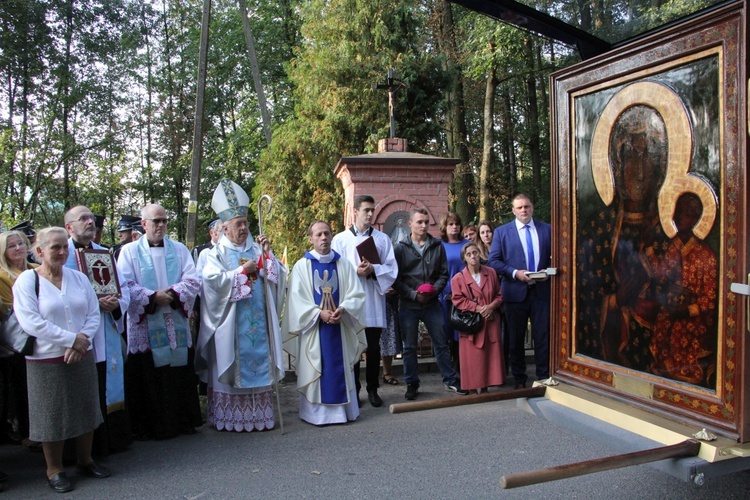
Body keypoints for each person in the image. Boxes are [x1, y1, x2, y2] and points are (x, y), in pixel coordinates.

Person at [13, 227, 110, 493]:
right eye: (55, 247)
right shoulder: (27, 281)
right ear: (40, 250)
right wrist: (71, 340)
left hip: (80, 354)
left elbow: (93, 313)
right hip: (46, 359)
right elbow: (31, 321)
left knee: (85, 407)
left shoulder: (78, 278)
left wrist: (81, 341)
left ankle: (85, 460)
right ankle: (54, 469)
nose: (61, 252)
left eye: (64, 247)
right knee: (51, 416)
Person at [196, 180, 287, 432]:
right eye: (238, 224)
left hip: (258, 324)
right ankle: (232, 418)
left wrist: (268, 259)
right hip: (231, 326)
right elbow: (211, 283)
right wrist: (240, 272)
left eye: (246, 223)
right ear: (225, 228)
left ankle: (259, 417)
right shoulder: (217, 255)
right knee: (232, 361)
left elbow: (277, 277)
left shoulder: (258, 248)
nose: (244, 228)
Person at [117, 204, 202, 440]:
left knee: (176, 371)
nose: (161, 225)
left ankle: (182, 421)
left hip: (174, 318)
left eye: (164, 220)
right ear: (144, 224)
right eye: (156, 221)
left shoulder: (179, 249)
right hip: (147, 321)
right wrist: (153, 297)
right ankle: (148, 426)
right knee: (148, 372)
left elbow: (193, 280)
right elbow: (125, 285)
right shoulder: (129, 252)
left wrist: (172, 295)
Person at [282, 221, 367, 425]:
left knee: (339, 366)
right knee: (316, 367)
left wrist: (343, 308)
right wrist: (318, 314)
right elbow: (296, 300)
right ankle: (316, 415)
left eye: (327, 234)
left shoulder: (343, 264)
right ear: (310, 239)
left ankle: (344, 412)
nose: (323, 238)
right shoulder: (303, 266)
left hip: (339, 323)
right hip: (314, 328)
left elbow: (356, 293)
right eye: (318, 235)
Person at [63, 206, 131, 456]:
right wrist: (95, 302)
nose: (91, 222)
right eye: (84, 219)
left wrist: (116, 303)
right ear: (69, 226)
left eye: (92, 218)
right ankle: (79, 452)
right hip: (79, 333)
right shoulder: (63, 255)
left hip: (107, 329)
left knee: (106, 381)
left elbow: (124, 289)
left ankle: (109, 442)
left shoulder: (105, 253)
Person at [393, 208, 468, 400]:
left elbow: (443, 274)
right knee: (409, 347)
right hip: (408, 304)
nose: (424, 225)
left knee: (440, 343)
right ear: (410, 224)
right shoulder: (400, 248)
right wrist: (412, 294)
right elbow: (396, 278)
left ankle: (450, 381)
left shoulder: (437, 246)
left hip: (432, 303)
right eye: (419, 222)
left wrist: (433, 291)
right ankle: (411, 383)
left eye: (426, 222)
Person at [331, 195, 398, 407]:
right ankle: (354, 390)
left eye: (372, 210)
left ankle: (372, 389)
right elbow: (334, 270)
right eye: (366, 210)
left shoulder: (381, 239)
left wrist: (373, 269)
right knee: (353, 348)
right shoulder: (340, 240)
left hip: (373, 300)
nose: (370, 214)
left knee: (373, 347)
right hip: (350, 302)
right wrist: (355, 271)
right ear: (355, 212)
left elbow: (391, 268)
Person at [649, 193, 717, 386]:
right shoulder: (673, 248)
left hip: (694, 318)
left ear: (696, 219)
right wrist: (649, 251)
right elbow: (661, 276)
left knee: (680, 331)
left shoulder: (706, 255)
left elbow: (709, 298)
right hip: (671, 310)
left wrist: (687, 310)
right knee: (662, 321)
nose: (679, 217)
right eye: (678, 212)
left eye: (685, 213)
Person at [488, 193, 551, 389]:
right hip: (515, 292)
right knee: (516, 338)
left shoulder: (547, 229)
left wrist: (548, 270)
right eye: (520, 207)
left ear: (532, 208)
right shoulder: (502, 232)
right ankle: (520, 380)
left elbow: (557, 256)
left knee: (543, 336)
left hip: (541, 291)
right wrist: (515, 273)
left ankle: (543, 376)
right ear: (513, 210)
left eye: (527, 206)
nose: (524, 210)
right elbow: (494, 261)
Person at [0, 231, 38, 452]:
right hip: (18, 341)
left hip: (43, 337)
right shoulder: (3, 276)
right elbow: (9, 306)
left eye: (21, 243)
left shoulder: (36, 270)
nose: (18, 248)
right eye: (11, 245)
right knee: (23, 387)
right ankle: (28, 433)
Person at [450, 243, 505, 392]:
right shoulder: (458, 278)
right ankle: (473, 389)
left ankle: (486, 388)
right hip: (472, 324)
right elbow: (457, 300)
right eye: (469, 254)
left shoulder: (491, 272)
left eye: (475, 252)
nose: (473, 256)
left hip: (490, 320)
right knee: (472, 358)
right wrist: (478, 308)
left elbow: (499, 295)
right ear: (464, 258)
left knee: (489, 355)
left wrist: (491, 307)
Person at [439, 212, 469, 370]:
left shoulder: (467, 244)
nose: (454, 227)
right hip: (444, 295)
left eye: (456, 224)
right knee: (445, 331)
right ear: (445, 226)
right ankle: (447, 369)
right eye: (450, 224)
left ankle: (460, 367)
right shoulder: (439, 245)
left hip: (464, 294)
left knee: (461, 331)